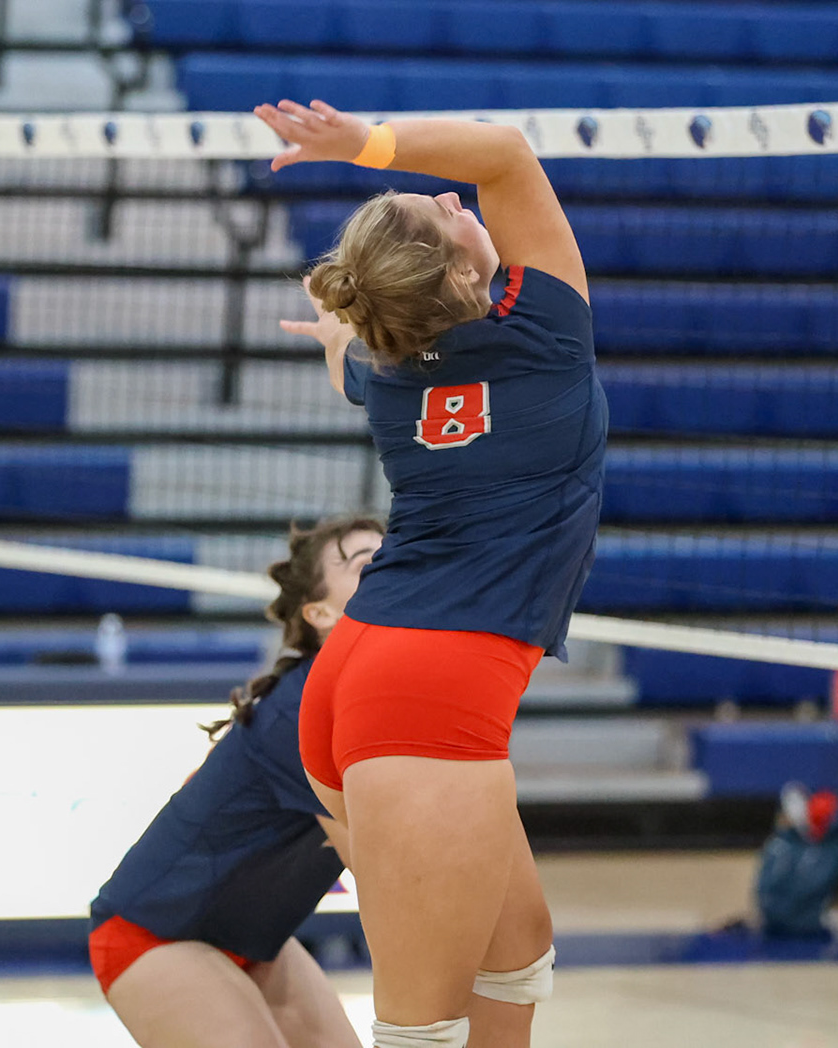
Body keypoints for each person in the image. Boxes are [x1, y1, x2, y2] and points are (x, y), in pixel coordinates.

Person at [261, 97, 603, 1048]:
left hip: (364, 679)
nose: (463, 200)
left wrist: (338, 335)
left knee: (518, 952)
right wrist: (363, 145)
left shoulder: (395, 373)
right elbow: (504, 153)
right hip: (428, 694)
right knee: (421, 1030)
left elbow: (354, 362)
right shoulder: (543, 329)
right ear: (462, 269)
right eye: (445, 211)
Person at [90, 515, 382, 1048]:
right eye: (368, 564)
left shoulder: (383, 704)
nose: (391, 569)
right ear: (321, 614)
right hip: (153, 933)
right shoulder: (303, 709)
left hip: (250, 938)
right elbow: (383, 871)